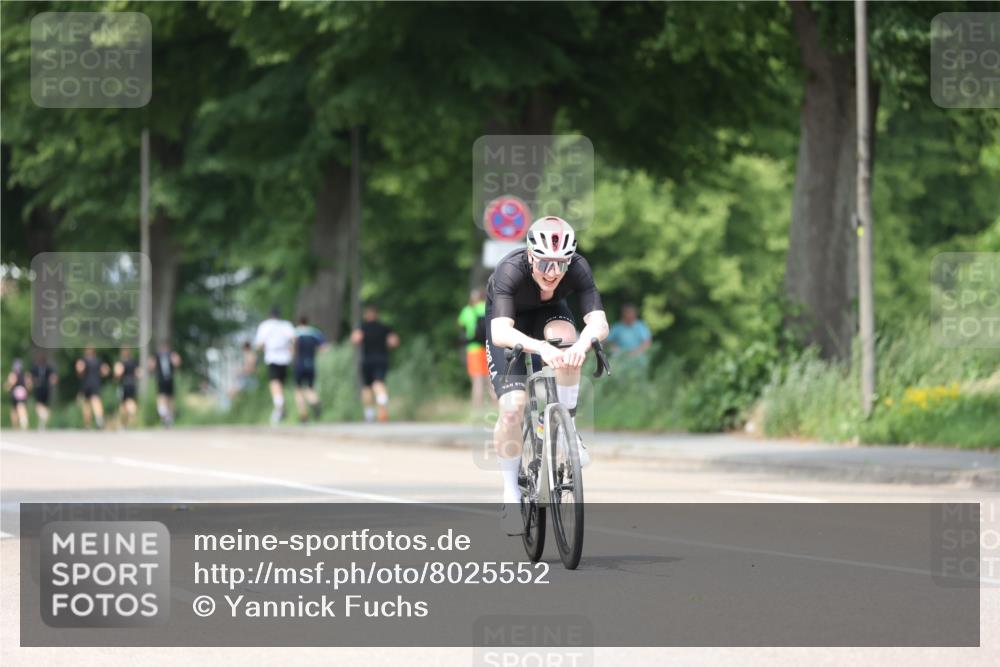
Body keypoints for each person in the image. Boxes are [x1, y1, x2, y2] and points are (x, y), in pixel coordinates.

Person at [484, 216, 608, 535]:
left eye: (560, 264)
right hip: (510, 325)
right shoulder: (510, 270)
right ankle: (511, 493)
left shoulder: (578, 267)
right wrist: (539, 348)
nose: (552, 274)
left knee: (568, 340)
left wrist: (582, 344)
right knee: (512, 409)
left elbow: (598, 322)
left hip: (549, 316)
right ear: (530, 256)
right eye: (544, 264)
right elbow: (500, 332)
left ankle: (569, 429)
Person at [351, 305, 399, 423]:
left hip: (367, 360)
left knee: (367, 387)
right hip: (382, 358)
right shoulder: (385, 328)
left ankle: (369, 414)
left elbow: (355, 340)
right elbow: (394, 342)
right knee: (379, 383)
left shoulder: (362, 327)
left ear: (366, 315)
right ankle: (382, 406)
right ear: (377, 315)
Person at [254, 306, 296, 425]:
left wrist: (263, 349)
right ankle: (281, 407)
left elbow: (259, 344)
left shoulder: (265, 325)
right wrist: (292, 352)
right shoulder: (286, 325)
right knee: (281, 383)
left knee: (274, 382)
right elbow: (293, 339)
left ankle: (279, 407)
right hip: (285, 358)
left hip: (273, 357)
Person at [457, 288, 490, 412]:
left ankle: (477, 407)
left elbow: (460, 324)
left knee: (477, 380)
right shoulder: (487, 306)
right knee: (491, 378)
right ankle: (495, 405)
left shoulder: (467, 310)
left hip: (474, 348)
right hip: (488, 347)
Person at [293, 316, 326, 422]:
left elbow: (292, 348)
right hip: (311, 363)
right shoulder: (315, 333)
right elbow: (323, 347)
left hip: (299, 364)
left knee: (298, 390)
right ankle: (315, 401)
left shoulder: (295, 332)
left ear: (299, 322)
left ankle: (303, 415)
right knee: (310, 388)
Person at [76, 346, 109, 429]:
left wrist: (80, 373)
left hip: (87, 384)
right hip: (96, 383)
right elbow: (105, 371)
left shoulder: (84, 360)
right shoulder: (98, 361)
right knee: (96, 402)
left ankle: (88, 424)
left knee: (87, 404)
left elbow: (80, 370)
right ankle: (99, 420)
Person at [149, 342, 181, 427]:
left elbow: (177, 362)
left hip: (168, 379)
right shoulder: (158, 355)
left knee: (168, 399)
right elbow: (151, 365)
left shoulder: (171, 354)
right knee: (163, 398)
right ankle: (166, 417)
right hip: (162, 379)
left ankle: (167, 417)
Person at [114, 348, 141, 428]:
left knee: (122, 404)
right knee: (131, 401)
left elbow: (118, 373)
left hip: (124, 384)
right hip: (132, 384)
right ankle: (132, 415)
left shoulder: (121, 362)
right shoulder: (133, 362)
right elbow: (139, 373)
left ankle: (124, 423)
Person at [29, 353, 58, 430]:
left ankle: (43, 417)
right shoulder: (48, 367)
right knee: (44, 406)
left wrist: (31, 385)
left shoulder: (35, 367)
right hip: (46, 388)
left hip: (40, 388)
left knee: (39, 405)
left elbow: (30, 378)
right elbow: (54, 378)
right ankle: (42, 422)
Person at [5, 358, 31, 430]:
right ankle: (24, 422)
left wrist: (7, 387)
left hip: (15, 393)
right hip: (23, 393)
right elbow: (28, 385)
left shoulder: (12, 374)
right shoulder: (25, 374)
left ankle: (16, 426)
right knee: (22, 407)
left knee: (14, 409)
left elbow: (10, 384)